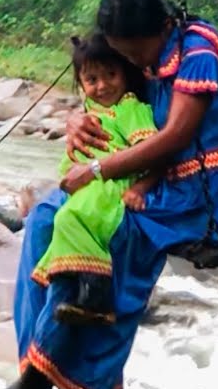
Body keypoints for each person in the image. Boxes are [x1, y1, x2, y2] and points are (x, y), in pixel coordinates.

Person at [0, 0, 218, 389]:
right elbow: (112, 97)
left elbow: (176, 136)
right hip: (146, 176)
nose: (130, 62)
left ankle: (61, 375)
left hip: (192, 193)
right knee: (45, 221)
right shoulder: (151, 52)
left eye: (132, 53)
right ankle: (34, 367)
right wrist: (78, 121)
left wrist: (99, 171)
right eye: (122, 53)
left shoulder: (198, 52)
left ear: (159, 29)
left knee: (95, 238)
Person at [33, 32, 161, 326]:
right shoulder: (90, 112)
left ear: (125, 73)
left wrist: (141, 188)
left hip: (110, 184)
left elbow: (152, 152)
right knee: (52, 220)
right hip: (88, 185)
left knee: (69, 218)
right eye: (92, 80)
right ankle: (73, 290)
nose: (102, 86)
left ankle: (97, 296)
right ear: (80, 84)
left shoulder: (130, 108)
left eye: (111, 75)